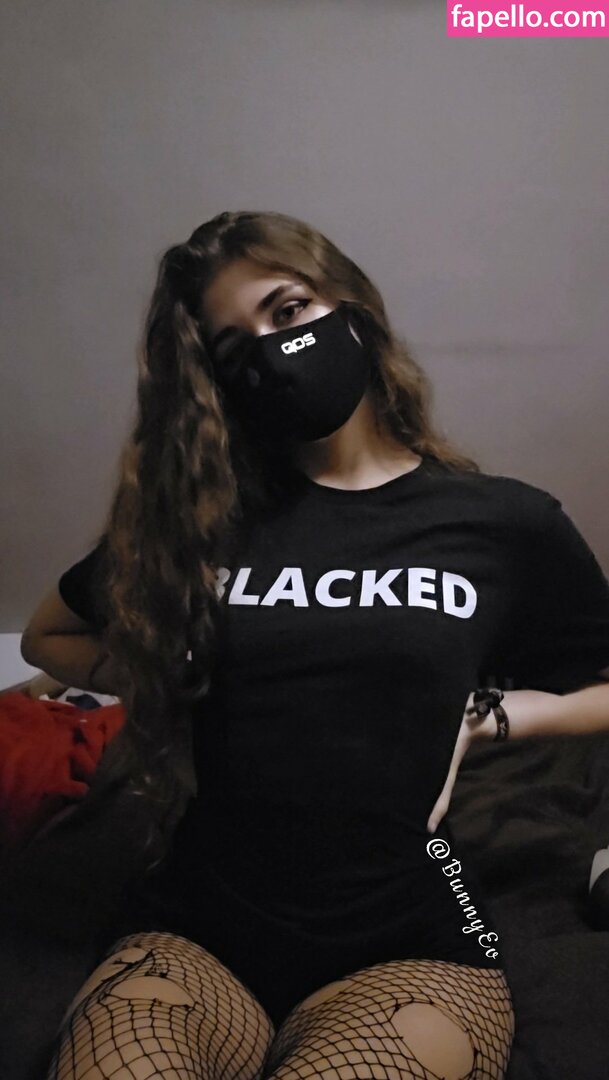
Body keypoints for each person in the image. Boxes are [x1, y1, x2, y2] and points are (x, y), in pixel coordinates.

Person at [21, 210, 609, 1080]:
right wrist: (163, 675)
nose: (271, 350)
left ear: (351, 306)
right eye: (234, 346)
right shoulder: (197, 523)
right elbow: (48, 635)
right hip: (196, 931)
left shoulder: (501, 522)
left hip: (408, 941)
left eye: (288, 310)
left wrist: (489, 718)